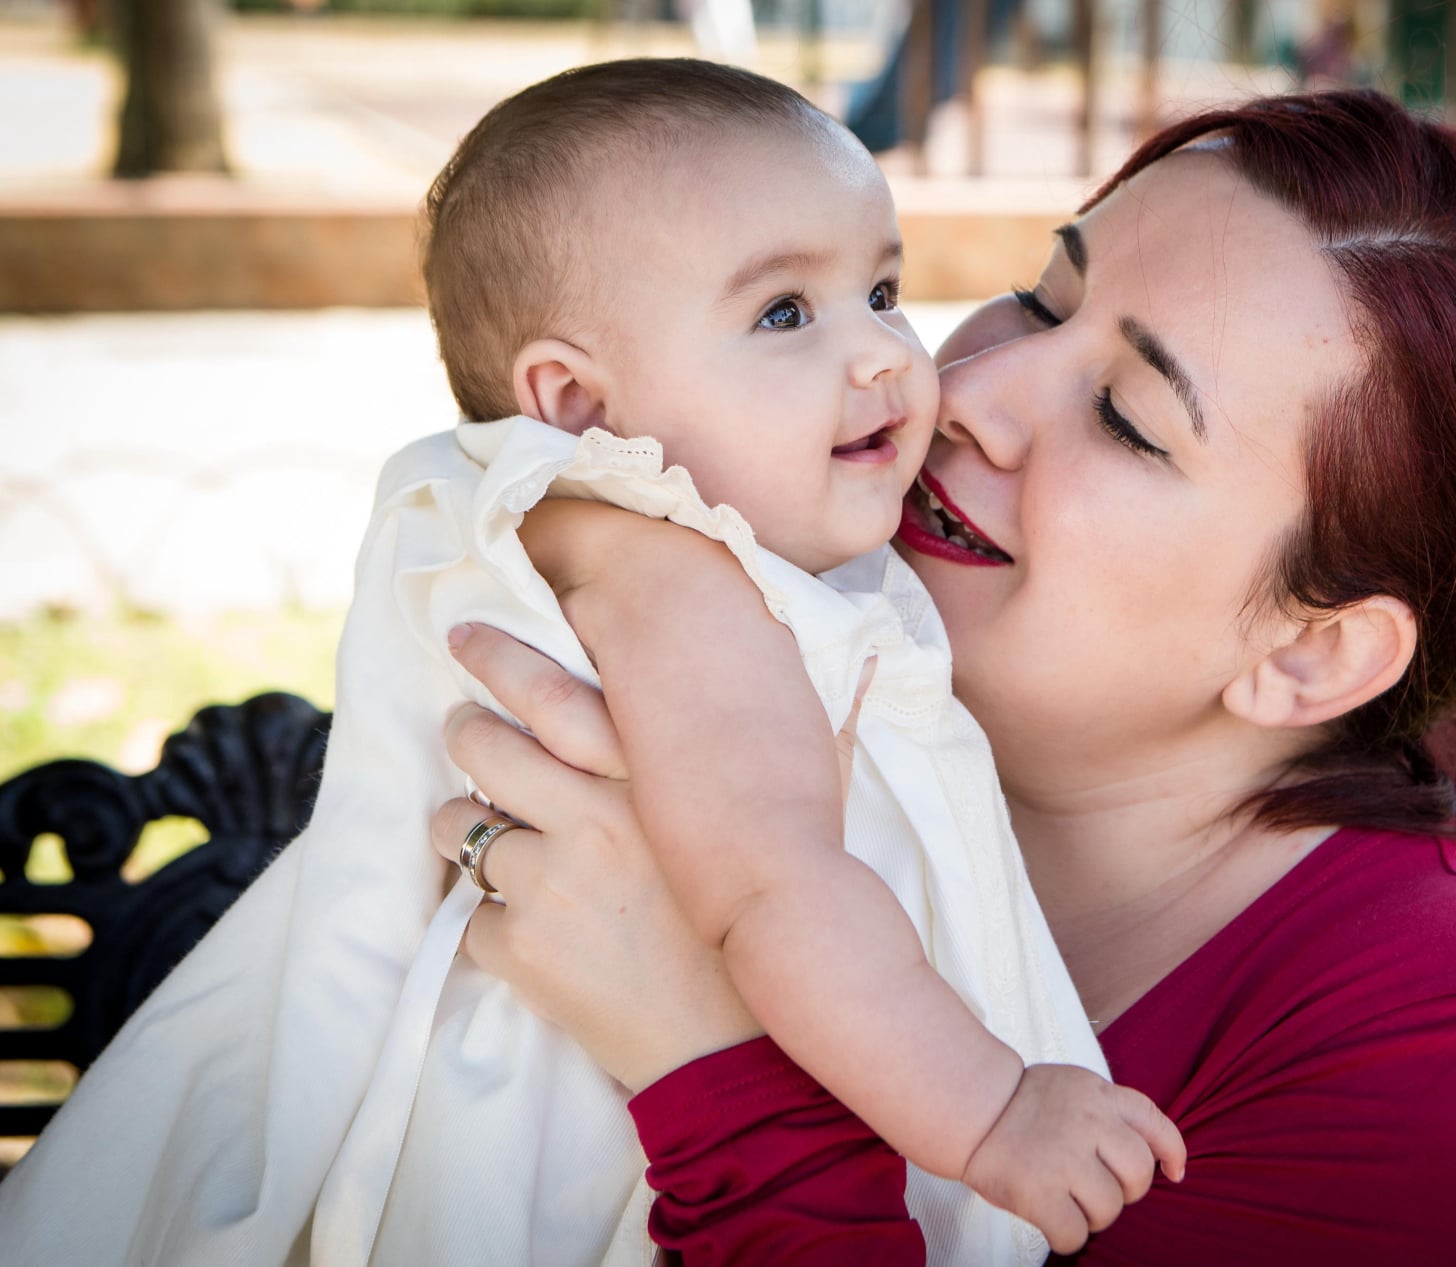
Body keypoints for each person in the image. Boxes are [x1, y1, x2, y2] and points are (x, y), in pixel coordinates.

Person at [426, 89, 1456, 1262]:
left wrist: (709, 1053)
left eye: (1126, 417)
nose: (970, 387)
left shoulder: (1436, 1033)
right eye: (1044, 295)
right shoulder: (771, 649)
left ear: (1309, 649)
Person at [0, 59, 1177, 1266]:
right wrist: (992, 1110)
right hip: (584, 1137)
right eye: (784, 313)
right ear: (574, 404)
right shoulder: (677, 582)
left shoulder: (594, 534)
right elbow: (776, 893)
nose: (882, 355)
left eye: (882, 288)